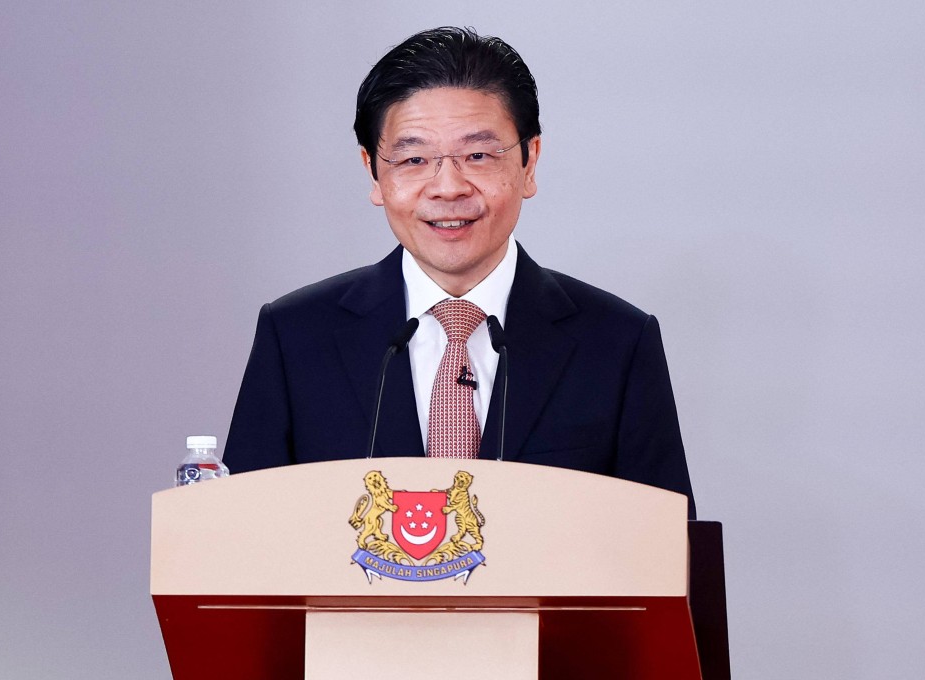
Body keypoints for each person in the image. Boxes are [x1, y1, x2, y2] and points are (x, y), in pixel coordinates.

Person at [223, 26, 696, 518]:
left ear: (530, 161)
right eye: (414, 159)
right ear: (373, 172)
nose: (447, 187)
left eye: (477, 155)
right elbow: (242, 541)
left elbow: (667, 556)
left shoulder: (617, 340)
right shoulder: (297, 335)